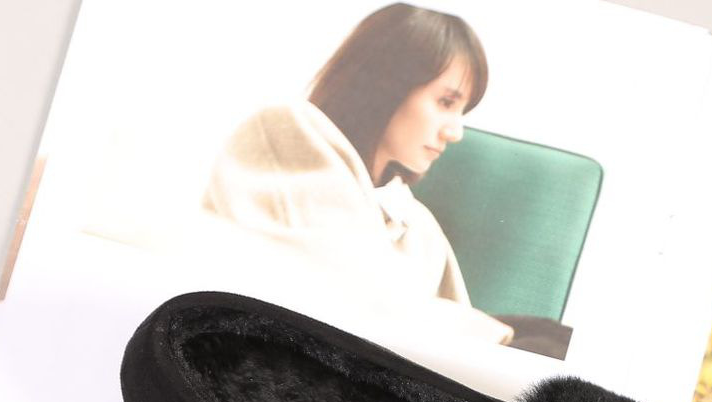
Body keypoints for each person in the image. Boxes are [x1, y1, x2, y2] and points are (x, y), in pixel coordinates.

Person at [201, 4, 514, 347]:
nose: (455, 132)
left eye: (462, 110)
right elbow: (337, 292)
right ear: (389, 83)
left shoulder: (419, 226)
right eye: (446, 103)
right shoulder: (286, 131)